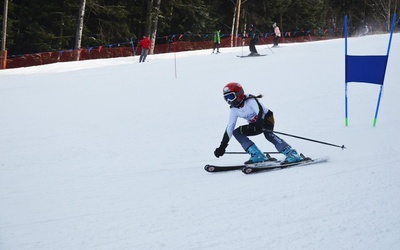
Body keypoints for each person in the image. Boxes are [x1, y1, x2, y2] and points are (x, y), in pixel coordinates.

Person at [214, 82, 303, 164]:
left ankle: (292, 154)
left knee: (268, 134)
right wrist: (222, 147)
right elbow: (230, 128)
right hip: (255, 124)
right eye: (226, 98)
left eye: (230, 97)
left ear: (239, 94)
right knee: (237, 132)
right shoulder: (234, 110)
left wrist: (259, 124)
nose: (229, 101)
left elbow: (260, 111)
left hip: (266, 118)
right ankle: (257, 155)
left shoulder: (250, 100)